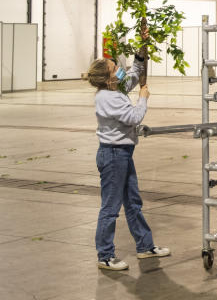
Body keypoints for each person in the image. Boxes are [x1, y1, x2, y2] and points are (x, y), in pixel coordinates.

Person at [84, 42, 170, 271]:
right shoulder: (108, 98)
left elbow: (131, 75)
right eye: (115, 68)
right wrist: (143, 97)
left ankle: (145, 246)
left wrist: (140, 56)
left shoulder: (115, 88)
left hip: (122, 154)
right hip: (113, 155)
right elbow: (134, 117)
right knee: (110, 208)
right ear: (108, 77)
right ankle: (105, 256)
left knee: (132, 202)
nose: (119, 69)